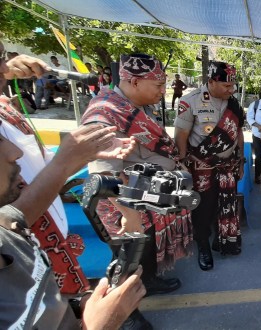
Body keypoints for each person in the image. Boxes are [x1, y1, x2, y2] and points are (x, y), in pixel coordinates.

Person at [0, 43, 144, 329]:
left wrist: (78, 157)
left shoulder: (11, 230)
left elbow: (29, 179)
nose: (13, 152)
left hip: (44, 239)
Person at [82, 53, 193, 296]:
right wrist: (129, 215)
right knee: (126, 259)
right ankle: (126, 316)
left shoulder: (138, 105)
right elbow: (105, 174)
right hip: (122, 204)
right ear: (134, 82)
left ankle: (149, 280)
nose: (164, 90)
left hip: (145, 197)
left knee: (145, 249)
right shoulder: (105, 113)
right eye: (158, 85)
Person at [174, 61, 245, 271]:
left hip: (227, 166)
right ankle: (203, 244)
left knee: (224, 203)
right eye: (226, 86)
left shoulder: (233, 104)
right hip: (201, 167)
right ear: (212, 81)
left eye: (233, 86)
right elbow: (181, 137)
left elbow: (238, 133)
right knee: (202, 208)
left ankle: (222, 239)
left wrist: (240, 160)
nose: (231, 90)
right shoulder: (190, 101)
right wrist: (182, 165)